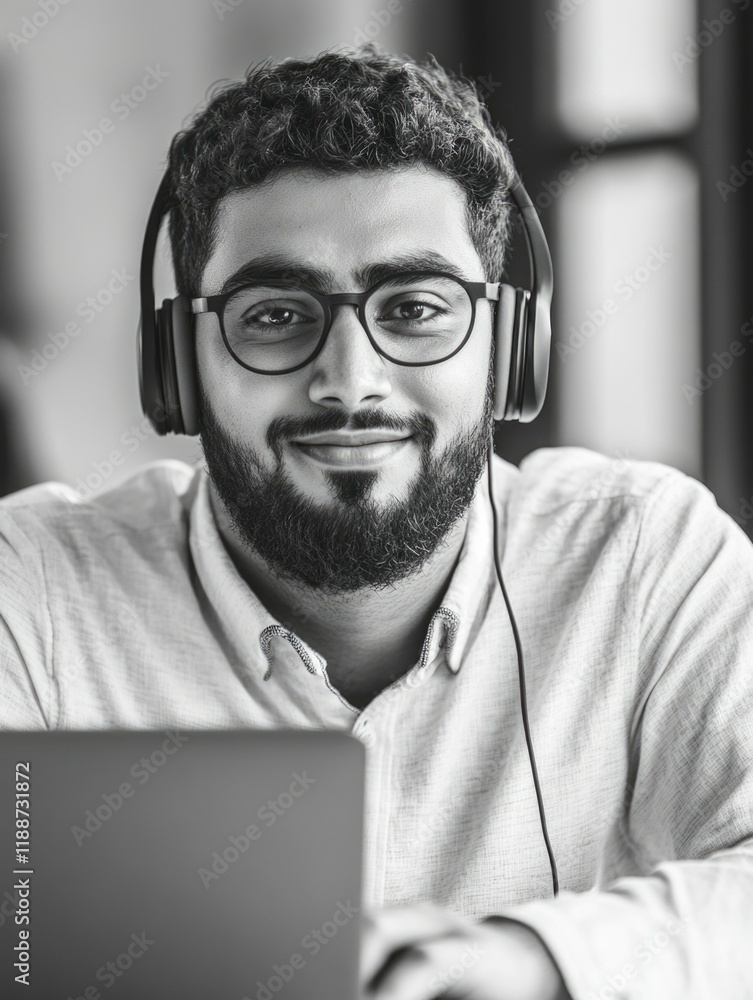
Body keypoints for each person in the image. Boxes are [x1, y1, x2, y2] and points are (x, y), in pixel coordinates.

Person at [1, 44, 752, 1000]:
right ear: (179, 364)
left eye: (415, 308)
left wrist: (535, 960)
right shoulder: (31, 589)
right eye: (274, 314)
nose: (350, 382)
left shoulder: (646, 560)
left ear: (509, 347)